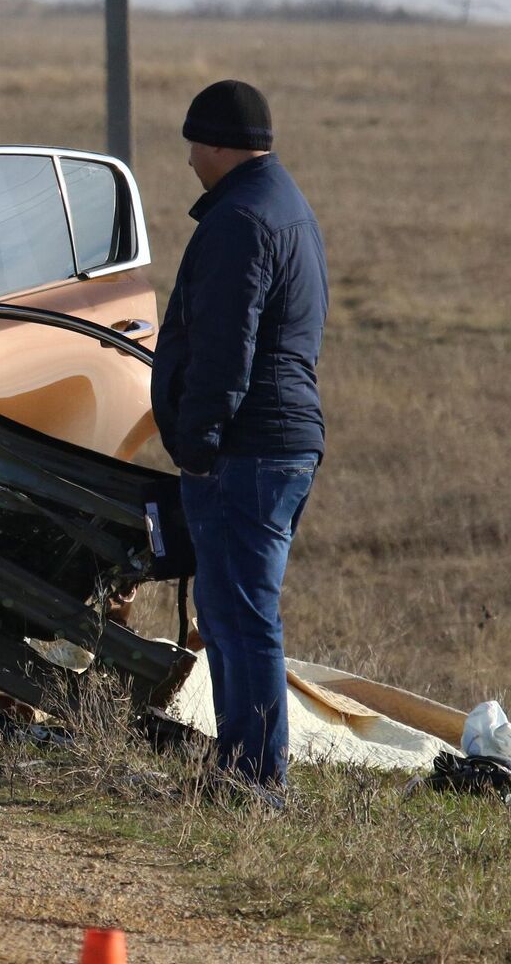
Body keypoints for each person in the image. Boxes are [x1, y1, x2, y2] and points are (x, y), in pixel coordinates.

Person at [151, 79, 328, 794]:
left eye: (195, 142)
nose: (190, 158)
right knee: (233, 613)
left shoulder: (241, 222)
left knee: (241, 617)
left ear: (219, 145)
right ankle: (241, 767)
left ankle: (255, 780)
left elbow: (227, 349)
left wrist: (197, 445)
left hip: (248, 451)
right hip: (277, 444)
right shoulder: (284, 206)